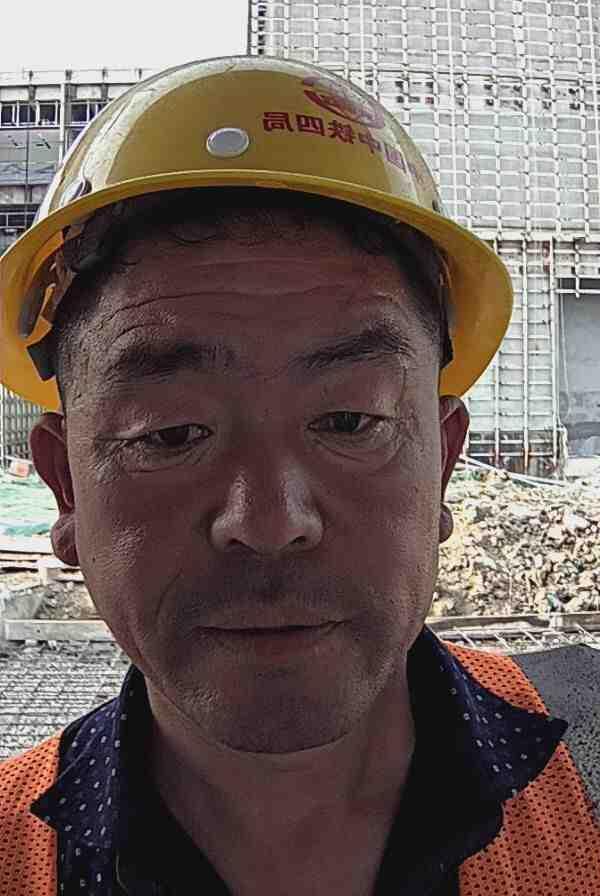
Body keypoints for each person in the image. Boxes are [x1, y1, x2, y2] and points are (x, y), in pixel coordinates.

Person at [0, 56, 598, 896]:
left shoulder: (589, 767)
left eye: (350, 422)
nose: (271, 522)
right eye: (171, 434)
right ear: (65, 487)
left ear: (443, 461)